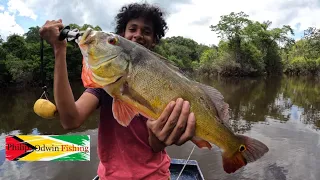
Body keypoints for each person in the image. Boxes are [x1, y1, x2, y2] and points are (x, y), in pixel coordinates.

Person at [39, 2, 196, 180]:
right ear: (123, 34)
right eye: (132, 29)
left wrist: (159, 137)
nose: (138, 35)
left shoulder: (164, 82)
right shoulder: (105, 84)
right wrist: (59, 50)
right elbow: (70, 120)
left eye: (146, 31)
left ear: (153, 40)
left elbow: (155, 145)